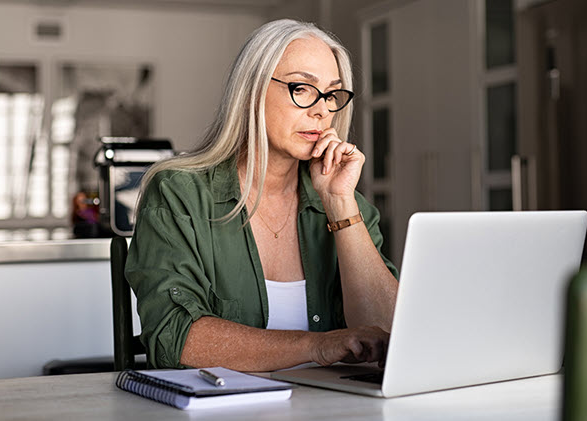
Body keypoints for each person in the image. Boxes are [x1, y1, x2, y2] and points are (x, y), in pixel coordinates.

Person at [126, 19, 399, 371]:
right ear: (252, 90)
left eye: (331, 95)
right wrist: (316, 346)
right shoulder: (179, 194)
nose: (322, 110)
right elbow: (175, 339)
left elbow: (392, 335)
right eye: (302, 88)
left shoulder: (348, 205)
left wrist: (339, 204)